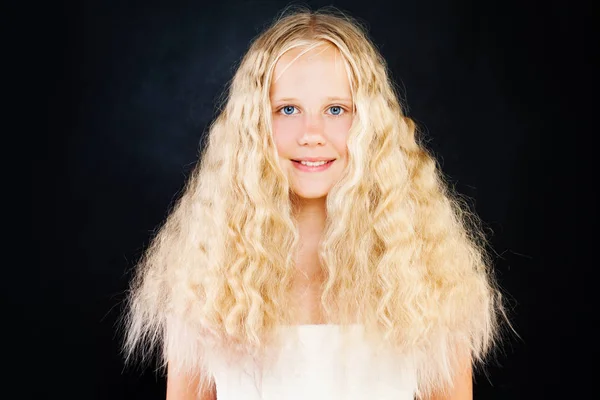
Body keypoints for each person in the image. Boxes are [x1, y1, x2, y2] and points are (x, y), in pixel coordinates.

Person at [119, 6, 511, 400]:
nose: (312, 134)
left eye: (335, 110)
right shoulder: (204, 275)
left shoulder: (429, 273)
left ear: (370, 123)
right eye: (288, 109)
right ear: (254, 124)